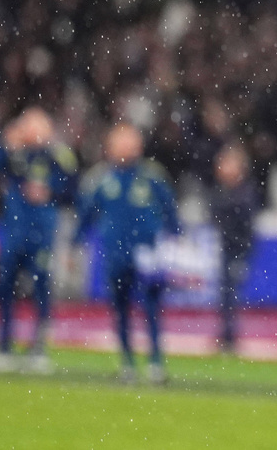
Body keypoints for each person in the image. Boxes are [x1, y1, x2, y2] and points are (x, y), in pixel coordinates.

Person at [74, 123, 181, 384]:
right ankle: (127, 362)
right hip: (116, 254)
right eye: (121, 141)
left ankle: (155, 362)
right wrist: (75, 243)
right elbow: (86, 214)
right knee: (120, 308)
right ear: (110, 146)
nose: (126, 147)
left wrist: (176, 238)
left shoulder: (152, 175)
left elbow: (170, 209)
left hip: (148, 255)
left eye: (130, 141)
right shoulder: (101, 178)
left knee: (151, 308)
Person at [0, 108, 78, 373]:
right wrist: (6, 144)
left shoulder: (57, 156)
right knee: (5, 287)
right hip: (15, 232)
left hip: (42, 234)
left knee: (41, 289)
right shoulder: (13, 154)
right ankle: (5, 345)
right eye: (28, 125)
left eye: (38, 125)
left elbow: (72, 188)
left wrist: (49, 191)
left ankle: (39, 348)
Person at [209, 143, 261, 354]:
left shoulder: (244, 193)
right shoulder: (222, 191)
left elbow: (245, 225)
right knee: (226, 293)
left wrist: (243, 251)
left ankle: (229, 336)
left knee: (230, 293)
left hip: (238, 249)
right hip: (228, 247)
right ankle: (226, 334)